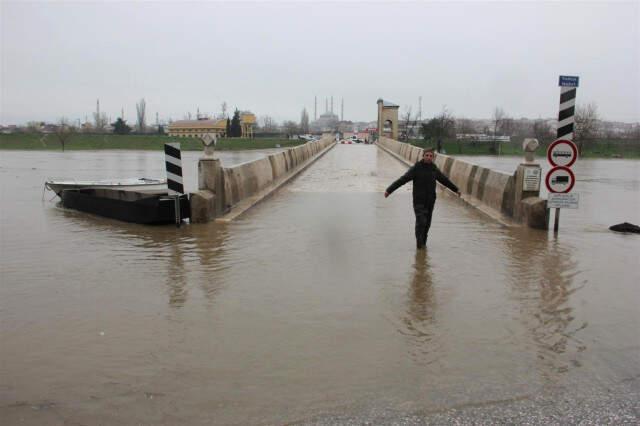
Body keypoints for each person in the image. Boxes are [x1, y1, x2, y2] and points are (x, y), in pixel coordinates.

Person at [384, 148, 460, 249]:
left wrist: (456, 189)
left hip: (430, 201)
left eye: (430, 156)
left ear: (433, 157)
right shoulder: (416, 168)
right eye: (427, 155)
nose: (428, 157)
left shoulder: (434, 169)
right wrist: (389, 190)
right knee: (421, 222)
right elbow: (403, 179)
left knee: (427, 225)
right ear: (423, 156)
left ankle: (423, 246)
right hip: (418, 201)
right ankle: (419, 246)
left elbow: (444, 180)